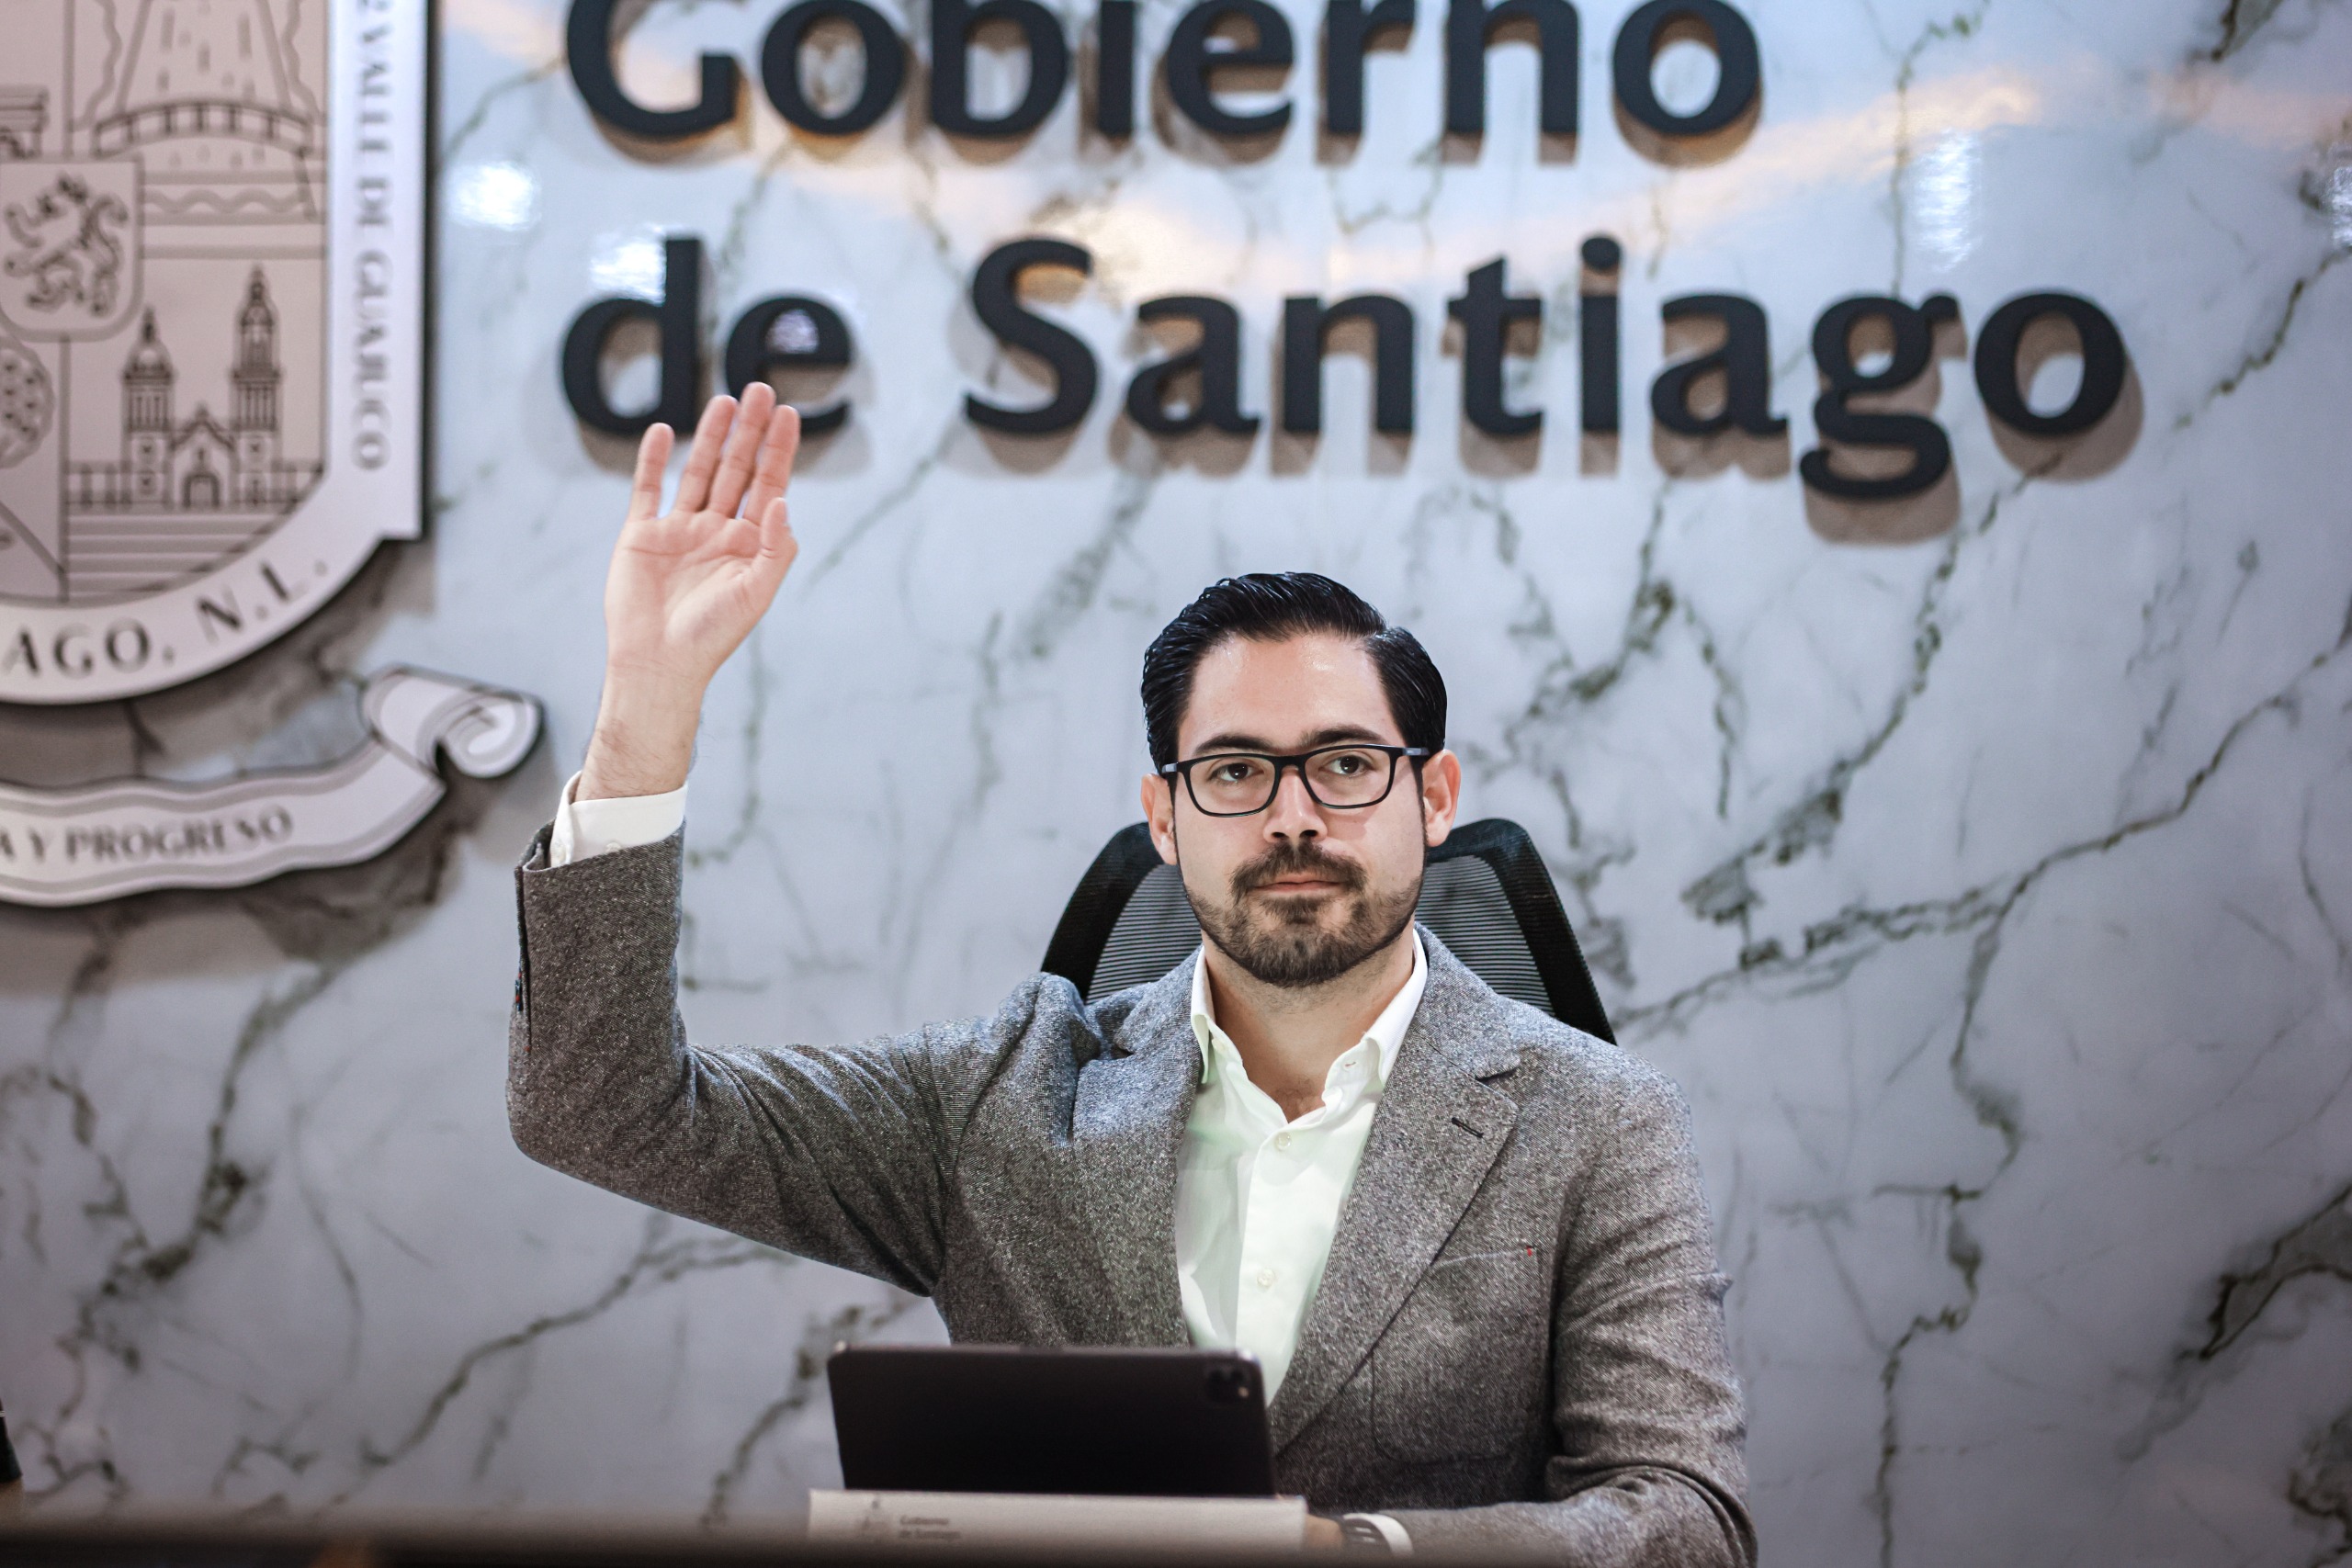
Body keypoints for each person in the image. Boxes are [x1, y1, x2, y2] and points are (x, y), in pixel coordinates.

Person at [509, 387, 1753, 1562]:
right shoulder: (998, 1100)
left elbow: (1687, 1523)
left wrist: (1355, 1552)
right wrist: (644, 713)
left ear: (1433, 796)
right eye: (1233, 772)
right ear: (1165, 819)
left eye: (1344, 764)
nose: (1293, 818)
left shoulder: (1597, 1119)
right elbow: (599, 1106)